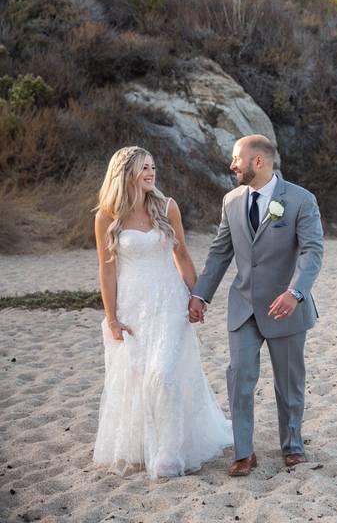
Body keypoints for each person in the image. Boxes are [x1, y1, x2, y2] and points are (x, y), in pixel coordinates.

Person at [92, 146, 232, 479]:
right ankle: (144, 447)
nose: (151, 173)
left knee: (163, 375)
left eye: (152, 166)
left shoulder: (166, 207)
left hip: (170, 302)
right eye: (143, 168)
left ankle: (168, 454)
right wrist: (111, 317)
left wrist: (197, 296)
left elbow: (181, 256)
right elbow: (107, 270)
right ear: (125, 173)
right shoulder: (106, 215)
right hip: (132, 306)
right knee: (138, 377)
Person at [190, 134, 324, 477]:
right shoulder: (231, 201)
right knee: (239, 377)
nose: (232, 165)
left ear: (258, 161)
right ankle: (244, 453)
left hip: (286, 307)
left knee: (289, 381)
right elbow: (220, 252)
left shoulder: (300, 200)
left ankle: (292, 446)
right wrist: (200, 295)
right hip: (244, 306)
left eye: (237, 158)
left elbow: (312, 253)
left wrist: (295, 294)